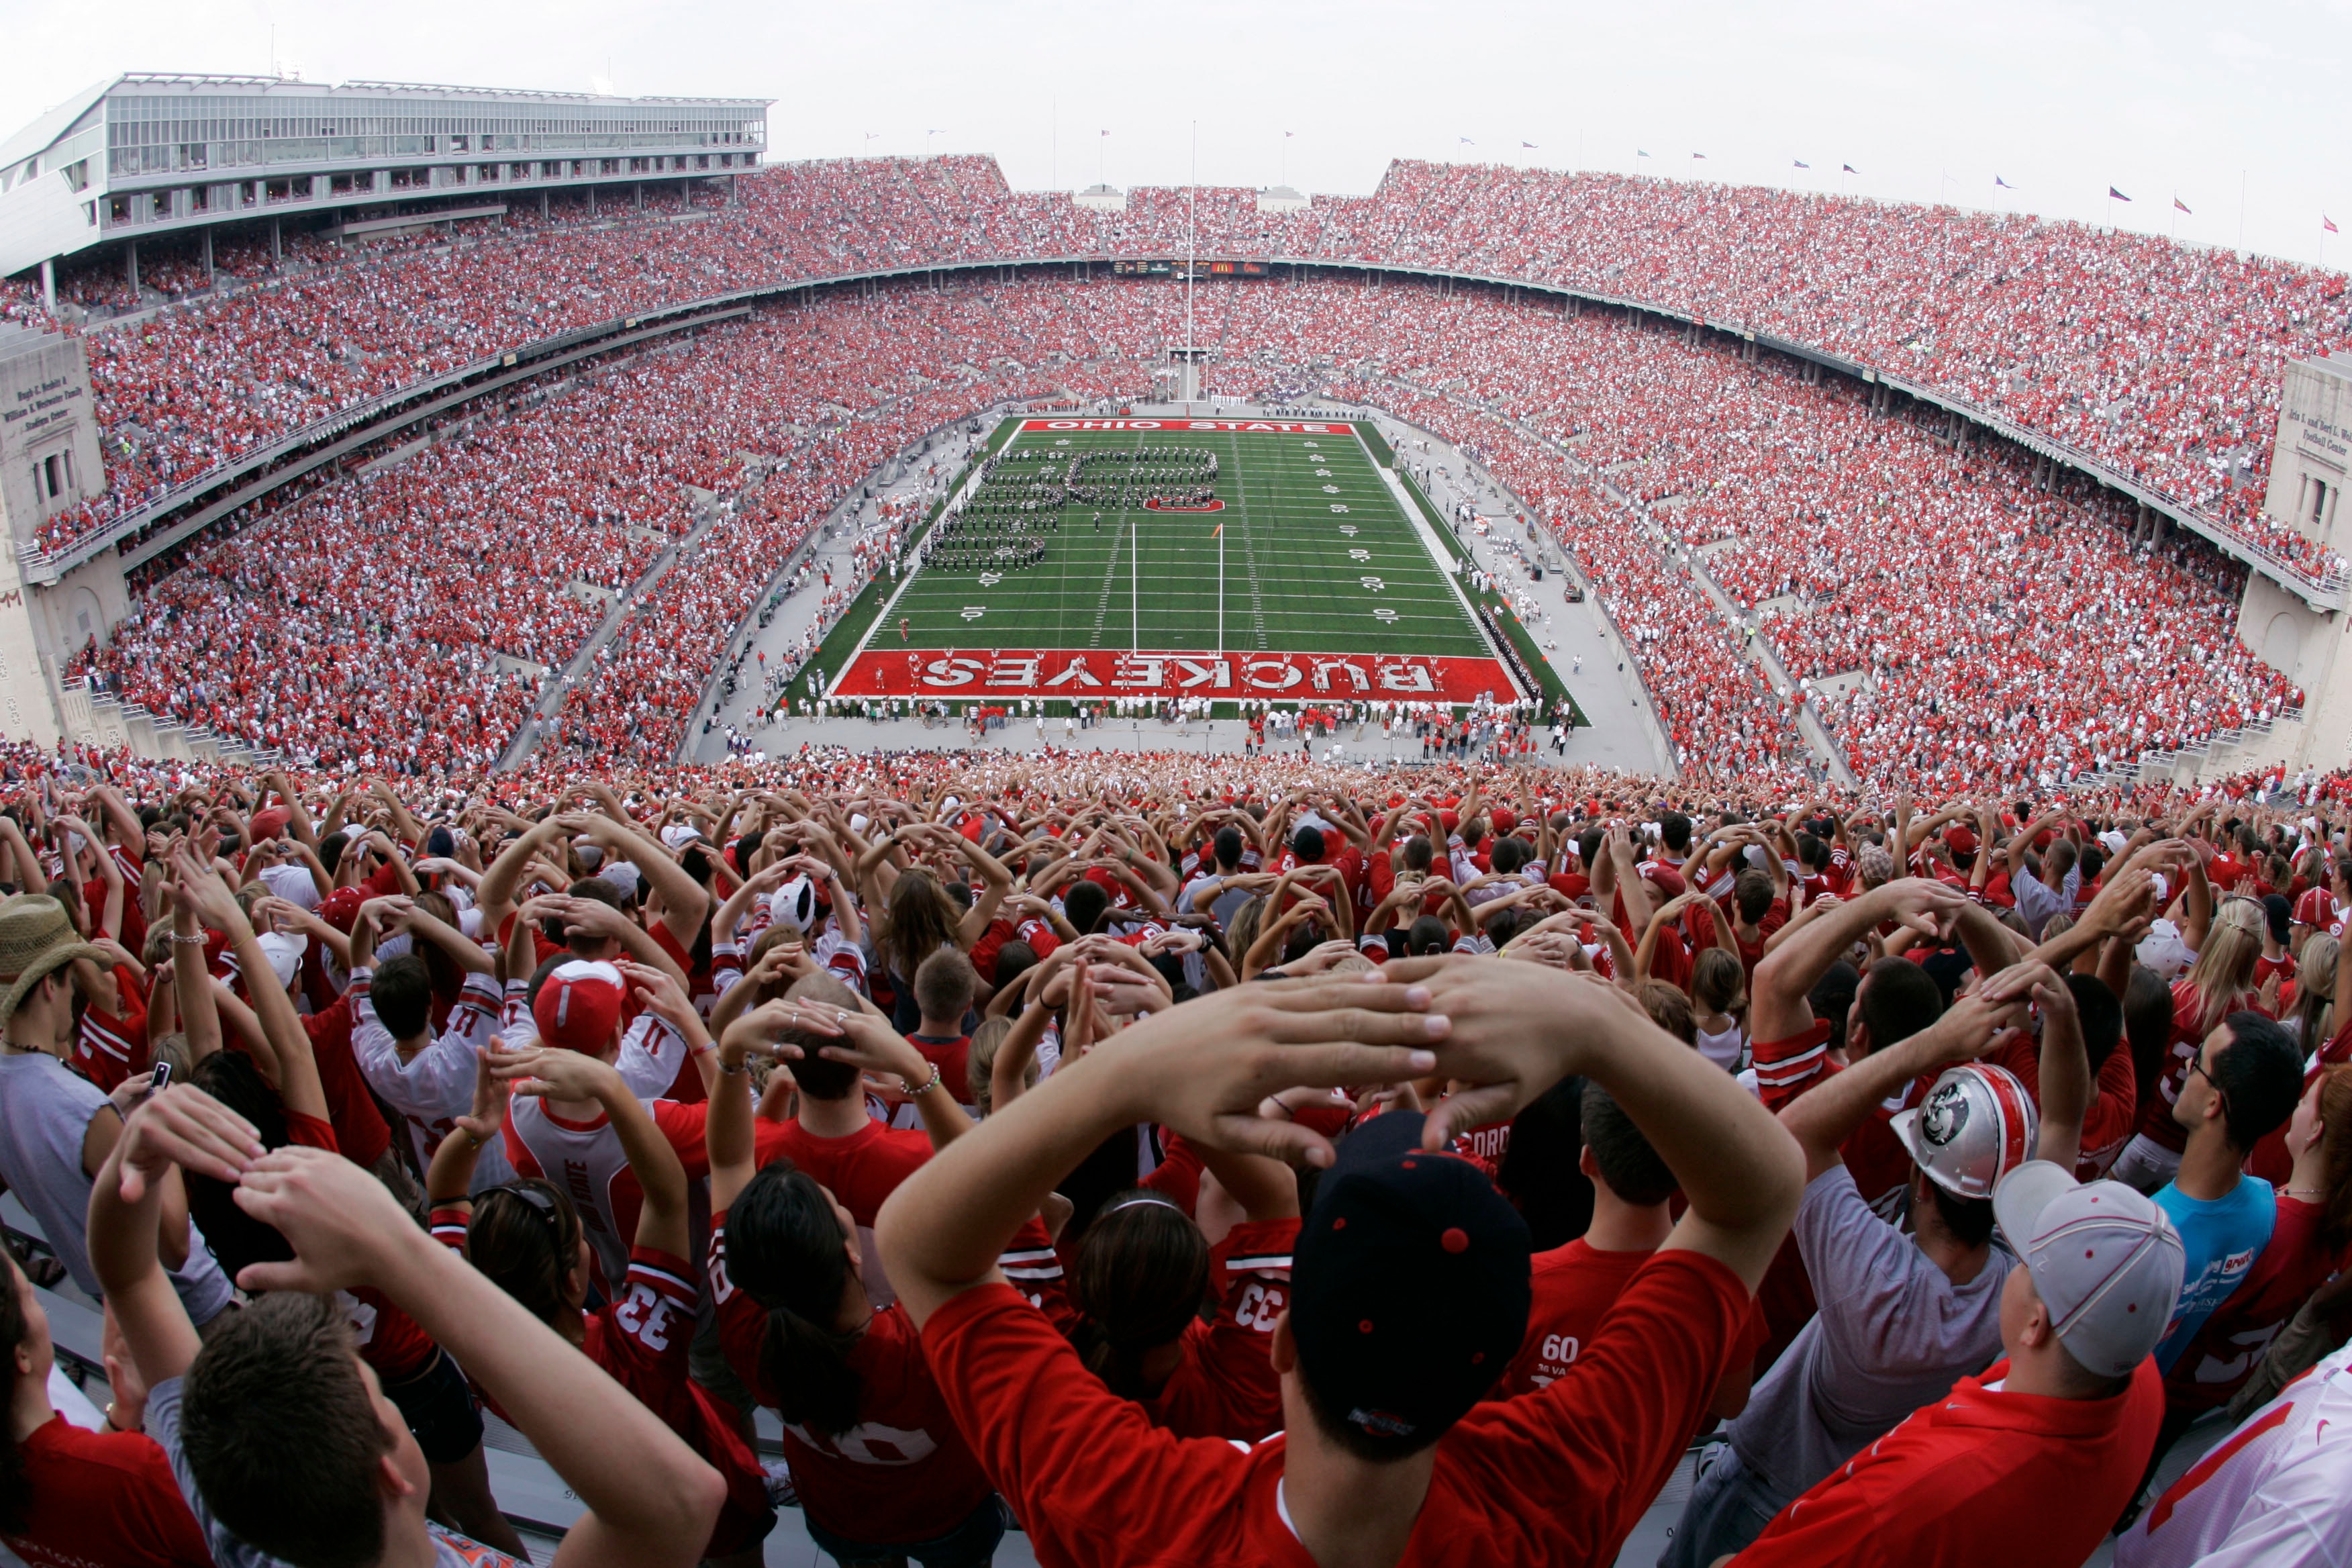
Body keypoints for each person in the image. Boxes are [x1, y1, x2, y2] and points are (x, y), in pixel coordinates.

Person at [876, 958, 1805, 1568]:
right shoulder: (1557, 1487)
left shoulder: (1137, 1513)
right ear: (1489, 1369)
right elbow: (1758, 1193)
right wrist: (1600, 1021)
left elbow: (923, 1248)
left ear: (1283, 1339)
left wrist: (1129, 1070)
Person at [87, 1081, 726, 1568]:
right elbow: (683, 1503)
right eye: (376, 1397)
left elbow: (131, 1278)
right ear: (389, 1471)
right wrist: (397, 1252)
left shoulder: (237, 1514)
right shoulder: (230, 1504)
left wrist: (132, 1163)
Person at [1665, 965, 2082, 1568]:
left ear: (1923, 1183)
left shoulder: (1873, 1277)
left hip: (1761, 1487)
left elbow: (1799, 1134)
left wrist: (1933, 1043)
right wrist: (2064, 1023)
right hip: (1850, 1498)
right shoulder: (2016, 1283)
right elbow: (2065, 1122)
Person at [1729, 1159, 2184, 1567]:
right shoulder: (2142, 1383)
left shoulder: (1912, 1495)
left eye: (2026, 1261)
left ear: (2034, 1325)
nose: (2011, 1261)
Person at [426, 1042, 775, 1567]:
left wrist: (479, 1124)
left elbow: (444, 1198)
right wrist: (612, 1090)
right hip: (702, 1479)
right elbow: (669, 1196)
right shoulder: (637, 1346)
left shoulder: (474, 1336)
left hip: (611, 1495)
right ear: (573, 1280)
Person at [0, 893, 234, 1331]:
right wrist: (153, 1126)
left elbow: (35, 1195)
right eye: (72, 979)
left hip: (117, 1305)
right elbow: (174, 1244)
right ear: (52, 984)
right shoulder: (79, 1106)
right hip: (189, 1310)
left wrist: (113, 1114)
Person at [0, 1246, 214, 1567]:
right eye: (30, 1297)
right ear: (22, 1356)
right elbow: (237, 1549)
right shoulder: (135, 1470)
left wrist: (122, 1416)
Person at [2147, 1013, 2304, 1377]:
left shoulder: (2148, 1230)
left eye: (2199, 1061)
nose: (2187, 1063)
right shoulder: (2264, 1207)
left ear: (2213, 1104)